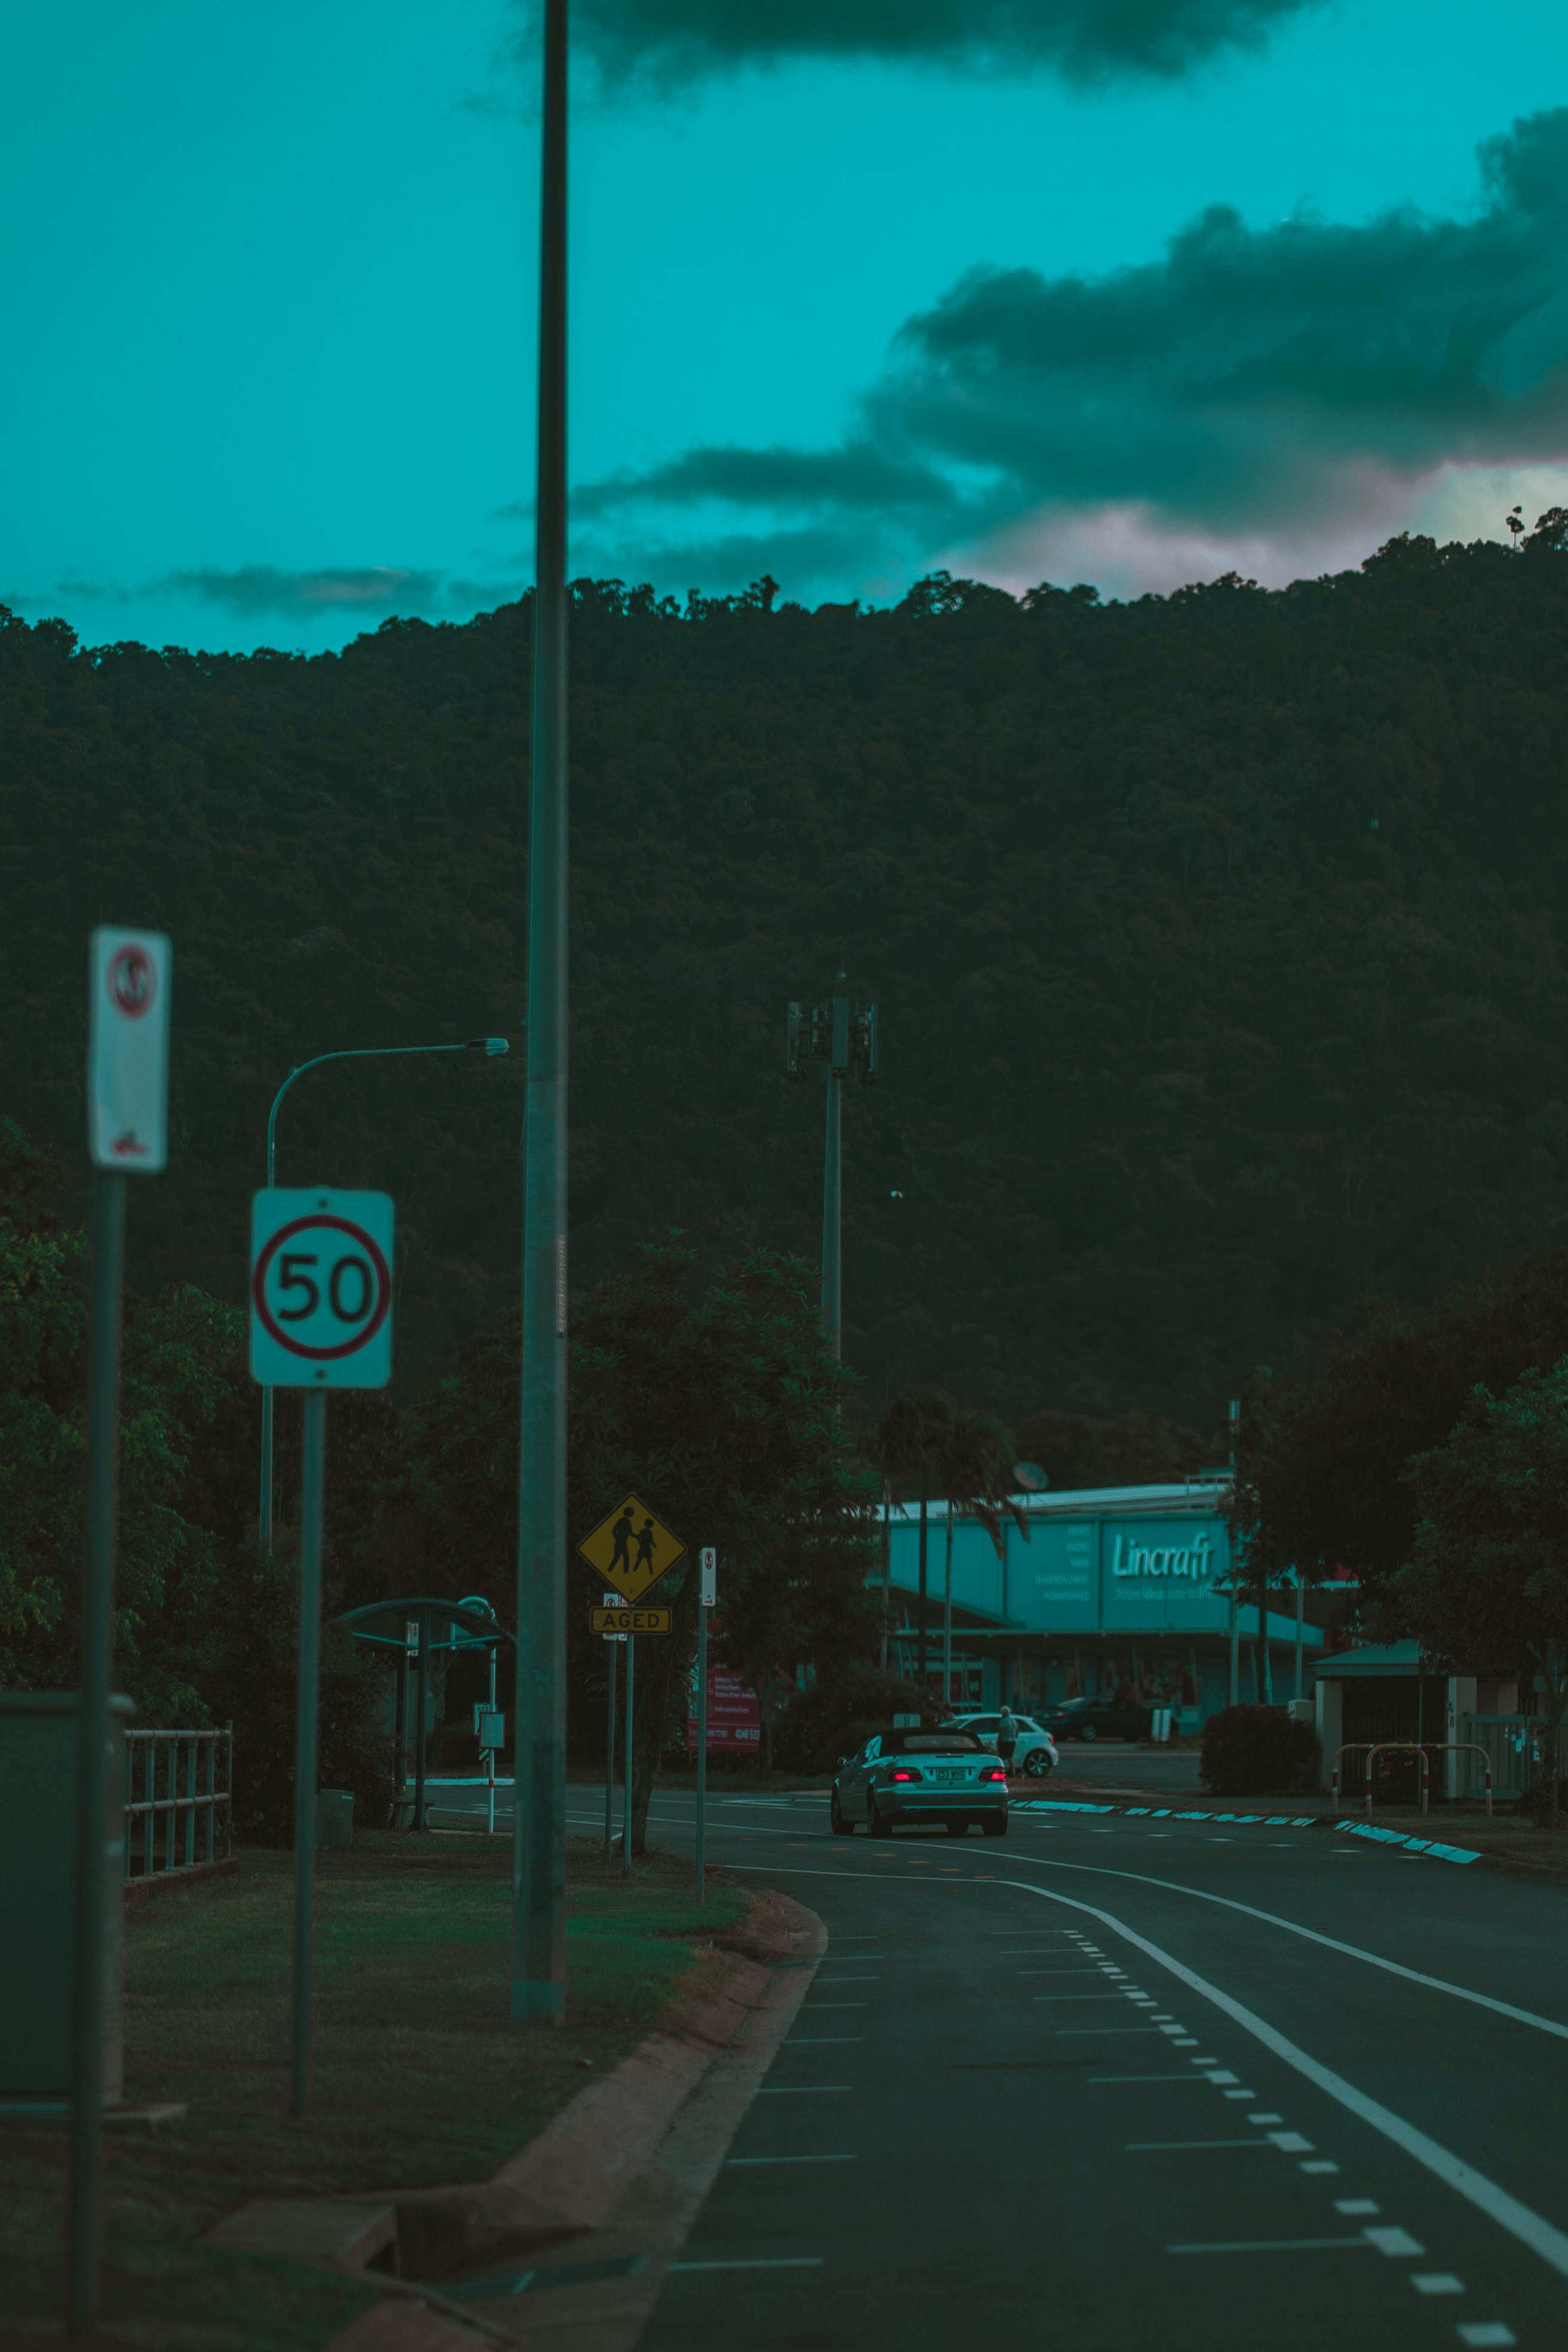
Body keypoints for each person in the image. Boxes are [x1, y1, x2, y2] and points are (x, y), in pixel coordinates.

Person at [996, 1704, 1019, 1775]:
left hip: (1005, 1741)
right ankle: (1013, 1773)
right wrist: (1014, 1737)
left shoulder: (1003, 1722)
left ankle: (1001, 1773)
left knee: (1001, 1757)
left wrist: (998, 1741)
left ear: (1003, 1714)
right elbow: (1017, 1731)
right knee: (1010, 1757)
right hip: (1012, 1741)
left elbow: (1002, 1732)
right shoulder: (1014, 1721)